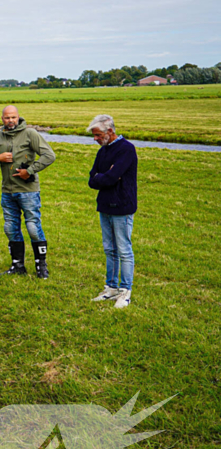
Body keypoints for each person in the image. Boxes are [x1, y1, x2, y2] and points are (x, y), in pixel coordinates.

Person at [0, 105, 56, 278]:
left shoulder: (30, 134)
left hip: (28, 191)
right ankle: (17, 266)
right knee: (10, 228)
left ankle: (41, 266)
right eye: (7, 118)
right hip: (7, 191)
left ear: (19, 117)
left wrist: (29, 171)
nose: (10, 121)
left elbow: (49, 155)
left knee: (33, 227)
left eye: (13, 117)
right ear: (2, 119)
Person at [87, 115, 138, 309]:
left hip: (122, 206)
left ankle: (125, 292)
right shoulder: (103, 151)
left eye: (98, 135)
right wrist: (105, 176)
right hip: (105, 205)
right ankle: (111, 288)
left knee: (124, 249)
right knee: (109, 249)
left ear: (110, 132)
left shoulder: (126, 149)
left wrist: (105, 176)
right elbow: (93, 179)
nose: (95, 139)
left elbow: (110, 178)